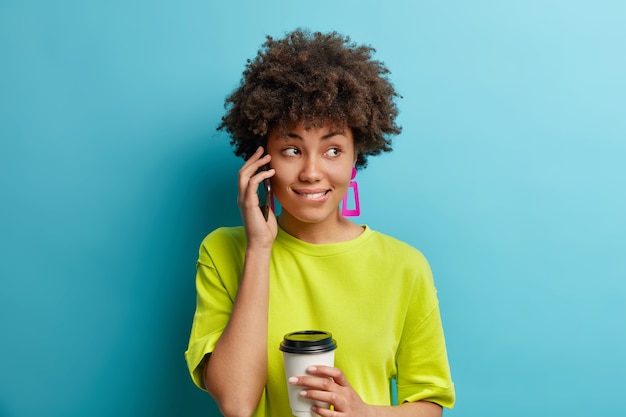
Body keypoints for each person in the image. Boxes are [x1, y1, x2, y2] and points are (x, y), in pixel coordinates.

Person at [185, 29, 455, 417]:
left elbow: (429, 406)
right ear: (262, 160)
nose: (312, 172)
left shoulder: (405, 267)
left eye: (332, 150)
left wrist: (366, 413)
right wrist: (260, 248)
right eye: (292, 149)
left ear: (354, 158)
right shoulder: (224, 251)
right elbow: (237, 403)